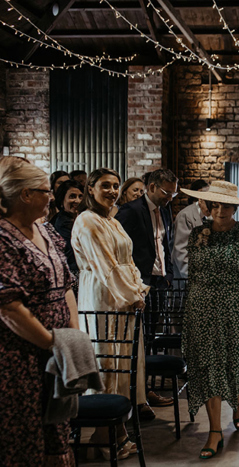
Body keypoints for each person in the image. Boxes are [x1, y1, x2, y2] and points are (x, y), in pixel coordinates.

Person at [180, 181, 239, 460]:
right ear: (207, 206)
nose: (219, 210)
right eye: (214, 204)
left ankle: (238, 400)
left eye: (225, 205)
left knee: (233, 361)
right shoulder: (196, 234)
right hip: (201, 308)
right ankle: (214, 430)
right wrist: (191, 310)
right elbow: (192, 275)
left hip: (235, 308)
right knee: (207, 367)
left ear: (235, 207)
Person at [0, 157, 79, 466]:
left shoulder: (46, 232)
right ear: (25, 195)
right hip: (21, 358)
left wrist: (71, 337)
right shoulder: (4, 238)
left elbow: (66, 287)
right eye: (46, 191)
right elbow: (9, 307)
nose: (52, 197)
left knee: (57, 429)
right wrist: (52, 343)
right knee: (25, 434)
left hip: (57, 353)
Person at [72, 168, 150, 460]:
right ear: (91, 188)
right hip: (102, 297)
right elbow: (106, 266)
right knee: (105, 360)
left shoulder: (112, 221)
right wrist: (133, 294)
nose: (112, 191)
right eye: (105, 186)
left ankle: (118, 431)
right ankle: (102, 436)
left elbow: (128, 261)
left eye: (116, 186)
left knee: (123, 363)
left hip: (125, 300)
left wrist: (138, 288)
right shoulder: (87, 221)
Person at [115, 168, 177, 414]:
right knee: (138, 339)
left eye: (173, 193)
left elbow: (164, 244)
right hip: (140, 282)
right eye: (166, 192)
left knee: (150, 335)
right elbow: (121, 250)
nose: (170, 198)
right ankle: (138, 394)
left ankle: (146, 390)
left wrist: (169, 273)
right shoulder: (130, 211)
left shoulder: (166, 209)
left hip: (160, 281)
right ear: (151, 187)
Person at [172, 179, 210, 280]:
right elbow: (181, 251)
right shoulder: (186, 215)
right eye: (209, 204)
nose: (212, 209)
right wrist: (192, 277)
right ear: (200, 200)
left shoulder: (210, 216)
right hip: (187, 277)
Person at [52, 179, 84, 286]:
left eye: (80, 196)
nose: (77, 201)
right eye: (72, 196)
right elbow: (71, 254)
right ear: (62, 201)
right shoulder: (62, 223)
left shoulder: (80, 219)